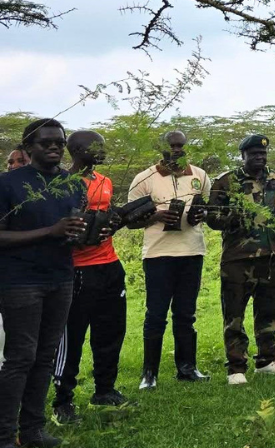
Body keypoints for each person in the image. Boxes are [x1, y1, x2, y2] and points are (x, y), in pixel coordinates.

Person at [0, 118, 83, 448]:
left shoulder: (73, 183)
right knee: (21, 357)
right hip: (20, 281)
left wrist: (87, 233)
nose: (53, 147)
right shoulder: (9, 184)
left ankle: (33, 431)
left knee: (45, 357)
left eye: (59, 143)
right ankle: (5, 435)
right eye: (45, 142)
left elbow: (70, 230)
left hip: (60, 277)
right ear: (27, 147)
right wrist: (50, 232)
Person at [52, 130, 132, 425]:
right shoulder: (61, 184)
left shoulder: (105, 182)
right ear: (74, 150)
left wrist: (115, 224)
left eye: (103, 146)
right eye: (94, 147)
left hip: (110, 265)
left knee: (111, 331)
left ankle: (105, 390)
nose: (101, 151)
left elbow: (108, 219)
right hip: (77, 270)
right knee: (71, 338)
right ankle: (63, 401)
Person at [206, 135, 275, 385]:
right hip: (238, 258)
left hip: (272, 256)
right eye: (253, 153)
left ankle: (267, 361)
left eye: (262, 153)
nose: (259, 157)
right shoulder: (226, 182)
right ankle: (236, 367)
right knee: (234, 314)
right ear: (242, 155)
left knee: (268, 312)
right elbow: (212, 219)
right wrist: (235, 216)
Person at [126, 130, 210, 389]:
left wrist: (200, 215)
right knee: (156, 314)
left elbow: (206, 206)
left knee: (186, 314)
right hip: (158, 254)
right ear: (162, 148)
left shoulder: (199, 175)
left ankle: (188, 368)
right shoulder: (145, 178)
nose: (176, 149)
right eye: (171, 145)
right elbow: (129, 220)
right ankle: (149, 373)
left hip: (192, 251)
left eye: (180, 146)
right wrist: (156, 216)